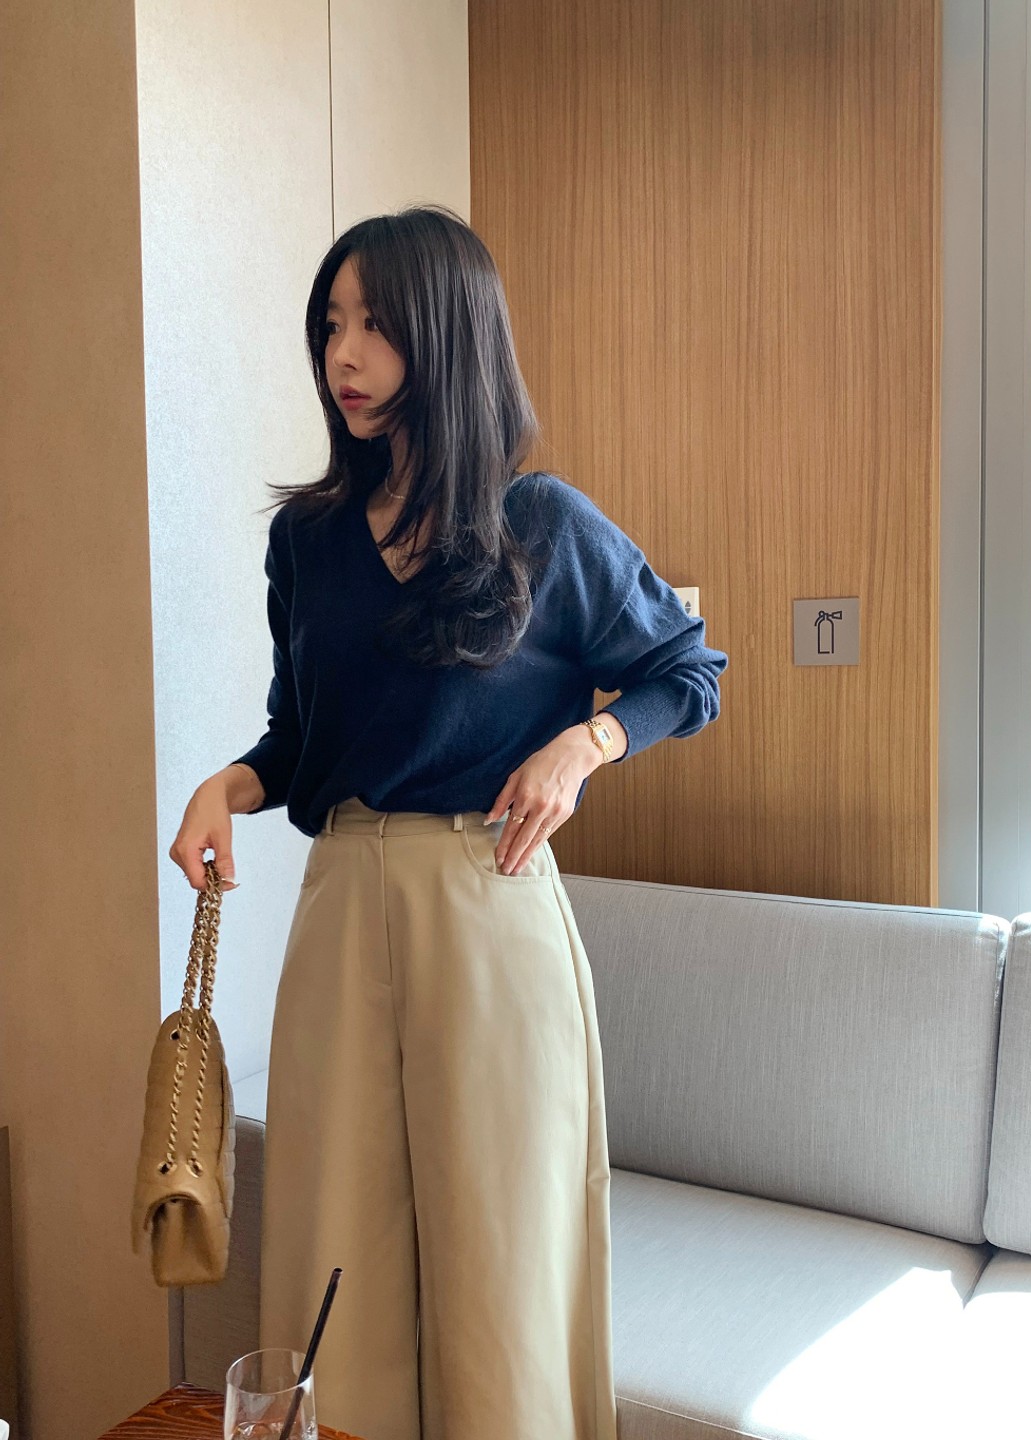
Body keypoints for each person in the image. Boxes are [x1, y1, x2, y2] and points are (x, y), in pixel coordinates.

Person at [169, 204, 728, 1440]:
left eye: (375, 325)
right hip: (340, 904)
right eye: (330, 324)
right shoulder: (307, 542)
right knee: (332, 1252)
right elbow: (300, 741)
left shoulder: (543, 525)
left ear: (448, 335)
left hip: (490, 898)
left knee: (502, 1263)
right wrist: (227, 787)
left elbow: (689, 671)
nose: (343, 355)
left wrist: (584, 746)